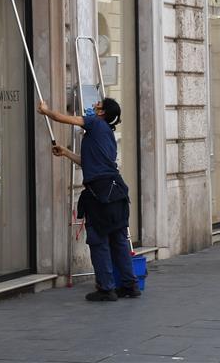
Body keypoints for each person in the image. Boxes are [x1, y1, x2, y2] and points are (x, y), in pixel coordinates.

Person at [38, 97, 140, 302]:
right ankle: (129, 285)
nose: (93, 106)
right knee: (119, 239)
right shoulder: (107, 134)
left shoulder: (95, 123)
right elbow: (90, 163)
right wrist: (66, 153)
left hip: (100, 194)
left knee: (98, 240)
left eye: (97, 105)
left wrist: (46, 111)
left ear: (101, 113)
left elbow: (63, 118)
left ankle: (106, 288)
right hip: (116, 191)